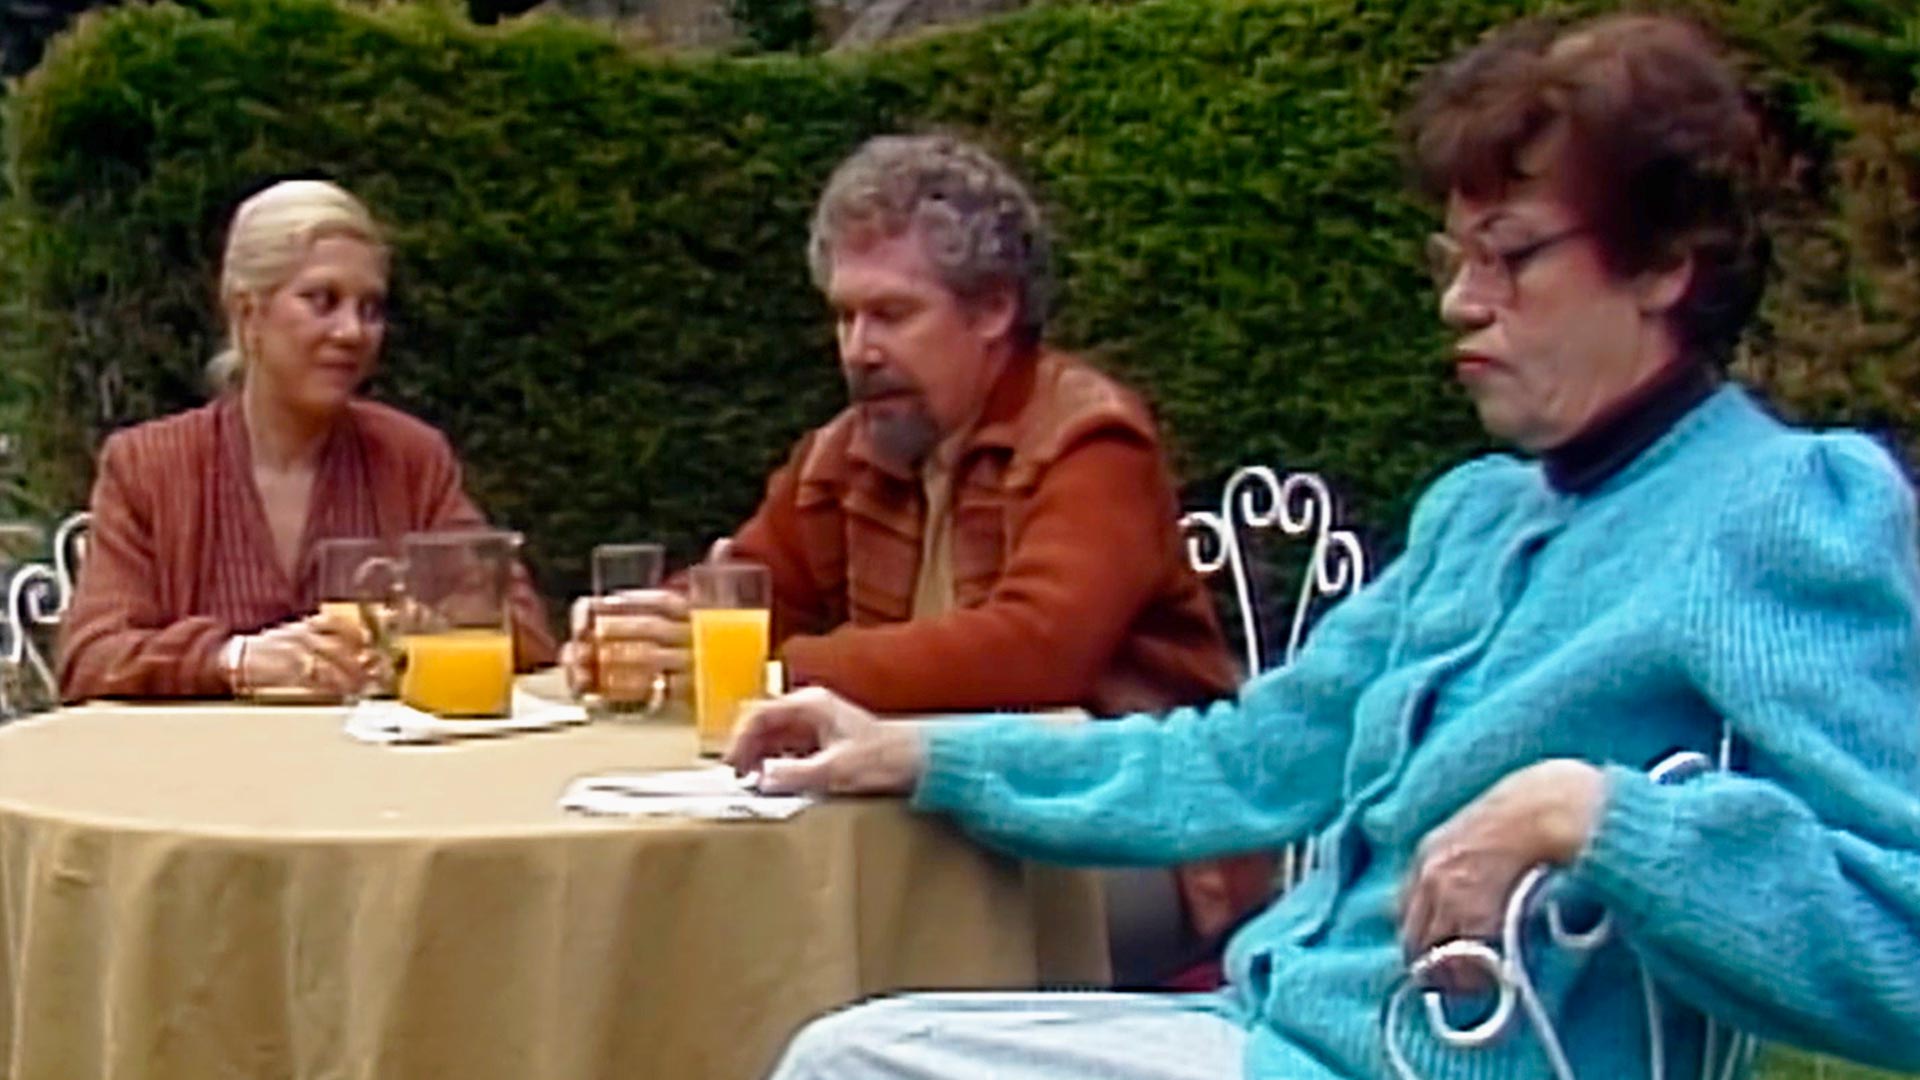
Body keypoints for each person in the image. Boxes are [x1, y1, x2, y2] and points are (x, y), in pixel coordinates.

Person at [727, 15, 1920, 1080]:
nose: (1460, 300)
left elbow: (1903, 952)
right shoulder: (1481, 515)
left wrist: (1593, 815)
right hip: (1269, 1033)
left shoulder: (1776, 514)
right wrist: (918, 754)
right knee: (843, 1052)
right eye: (1454, 257)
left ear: (1668, 264)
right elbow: (1246, 761)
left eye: (1509, 255)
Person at [565, 135, 1265, 972]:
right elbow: (745, 592)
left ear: (993, 309)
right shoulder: (847, 453)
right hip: (928, 815)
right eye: (843, 315)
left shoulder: (1089, 438)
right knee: (716, 922)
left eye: (892, 314)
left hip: (1130, 840)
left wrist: (778, 671)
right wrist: (645, 633)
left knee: (801, 932)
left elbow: (1037, 649)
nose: (858, 348)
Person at [59, 179, 555, 701]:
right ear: (248, 313)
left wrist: (425, 629)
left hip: (380, 775)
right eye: (323, 301)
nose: (352, 332)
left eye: (370, 309)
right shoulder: (149, 467)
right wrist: (236, 659)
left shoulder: (411, 459)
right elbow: (92, 658)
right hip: (202, 773)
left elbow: (524, 630)